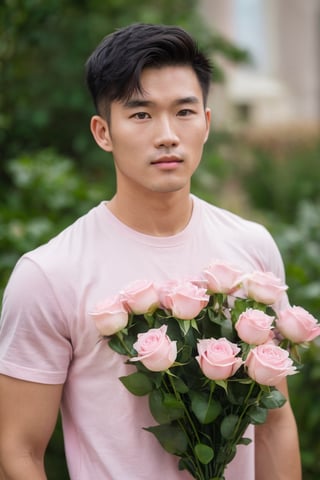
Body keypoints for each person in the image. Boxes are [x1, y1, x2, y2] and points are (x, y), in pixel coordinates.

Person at [0, 23, 301, 480]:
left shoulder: (252, 249)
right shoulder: (50, 273)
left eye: (183, 111)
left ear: (207, 122)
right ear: (103, 132)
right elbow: (17, 451)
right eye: (141, 115)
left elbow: (275, 424)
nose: (167, 135)